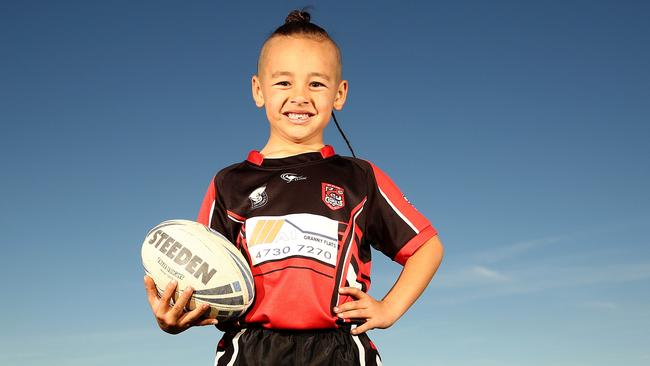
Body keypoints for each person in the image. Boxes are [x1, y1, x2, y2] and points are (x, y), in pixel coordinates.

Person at [144, 9, 444, 365]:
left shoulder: (360, 177)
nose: (300, 96)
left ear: (339, 94)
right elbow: (206, 272)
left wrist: (389, 310)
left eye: (316, 84)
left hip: (340, 348)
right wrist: (176, 316)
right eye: (284, 83)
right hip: (251, 349)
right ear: (258, 90)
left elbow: (426, 248)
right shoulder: (229, 184)